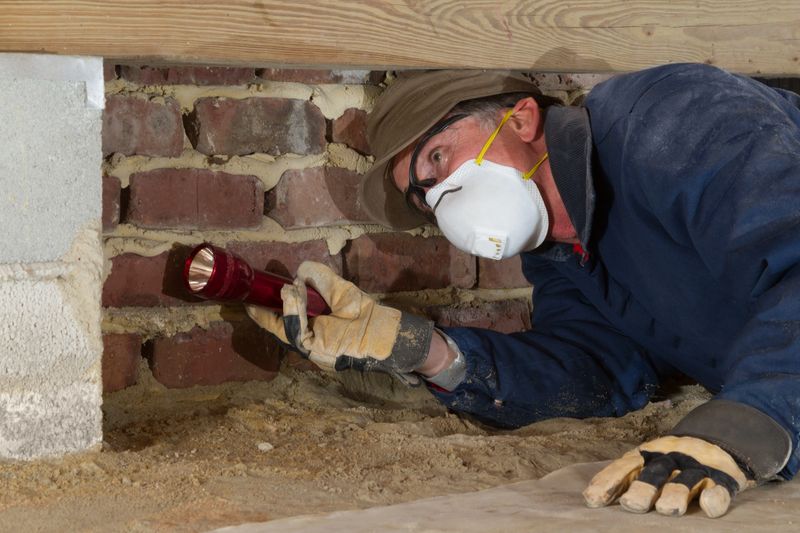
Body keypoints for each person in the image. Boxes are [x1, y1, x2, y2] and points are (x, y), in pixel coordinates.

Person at [247, 65, 800, 519]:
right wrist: (427, 352)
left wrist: (743, 426)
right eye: (424, 197)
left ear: (523, 119)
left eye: (437, 159)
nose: (442, 200)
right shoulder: (559, 253)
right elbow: (597, 374)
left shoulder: (670, 117)